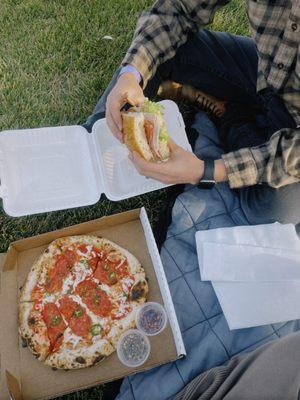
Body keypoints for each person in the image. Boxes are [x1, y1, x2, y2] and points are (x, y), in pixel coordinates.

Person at [85, 0, 300, 231]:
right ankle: (89, 148)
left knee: (270, 210)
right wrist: (130, 74)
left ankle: (230, 113)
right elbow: (177, 8)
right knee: (159, 51)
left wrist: (206, 171)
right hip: (265, 73)